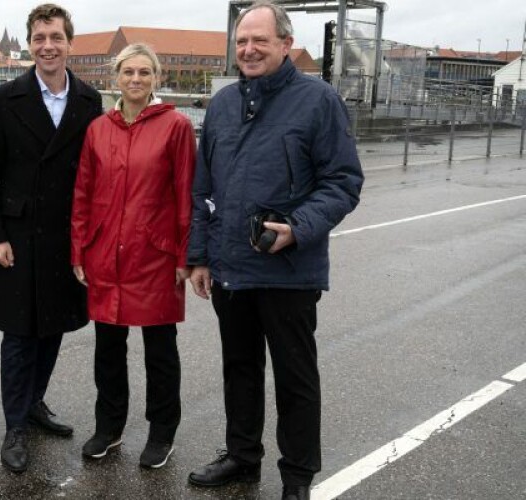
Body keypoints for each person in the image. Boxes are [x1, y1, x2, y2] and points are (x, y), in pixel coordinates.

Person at [186, 2, 363, 499]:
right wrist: (199, 256)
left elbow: (343, 181)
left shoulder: (319, 101)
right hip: (230, 270)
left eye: (259, 41)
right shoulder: (221, 105)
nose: (249, 49)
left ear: (285, 44)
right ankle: (242, 457)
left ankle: (297, 477)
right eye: (242, 41)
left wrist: (297, 227)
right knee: (239, 369)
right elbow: (202, 188)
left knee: (294, 377)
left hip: (289, 268)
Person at [0, 3, 103, 473]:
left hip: (65, 237)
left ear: (69, 43)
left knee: (52, 326)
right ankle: (14, 424)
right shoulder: (5, 98)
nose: (47, 46)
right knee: (18, 333)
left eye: (56, 37)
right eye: (39, 38)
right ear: (29, 45)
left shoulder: (89, 101)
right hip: (18, 235)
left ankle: (34, 403)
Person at [70, 43, 195, 469]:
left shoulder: (175, 127)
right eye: (129, 72)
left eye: (145, 72)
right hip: (106, 253)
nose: (136, 80)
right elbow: (83, 193)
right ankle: (109, 427)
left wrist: (185, 254)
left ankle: (162, 432)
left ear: (156, 78)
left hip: (155, 255)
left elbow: (185, 194)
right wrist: (79, 249)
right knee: (108, 349)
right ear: (115, 77)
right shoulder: (97, 129)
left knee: (160, 350)